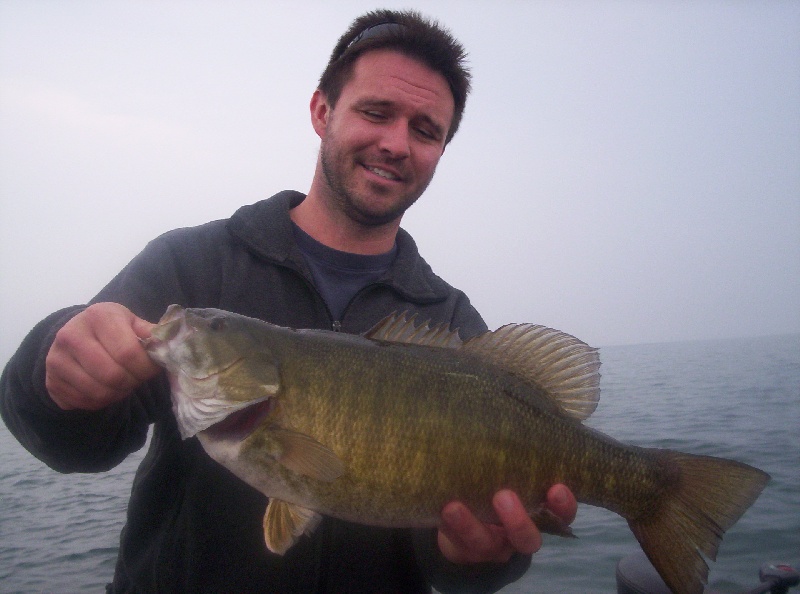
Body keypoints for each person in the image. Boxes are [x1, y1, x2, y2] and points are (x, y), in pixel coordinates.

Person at [1, 9, 577, 593]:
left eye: (425, 130)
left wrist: (476, 560)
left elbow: (454, 562)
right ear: (322, 112)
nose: (396, 143)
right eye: (376, 112)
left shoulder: (452, 325)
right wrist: (56, 370)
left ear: (440, 151)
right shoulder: (194, 269)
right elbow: (70, 443)